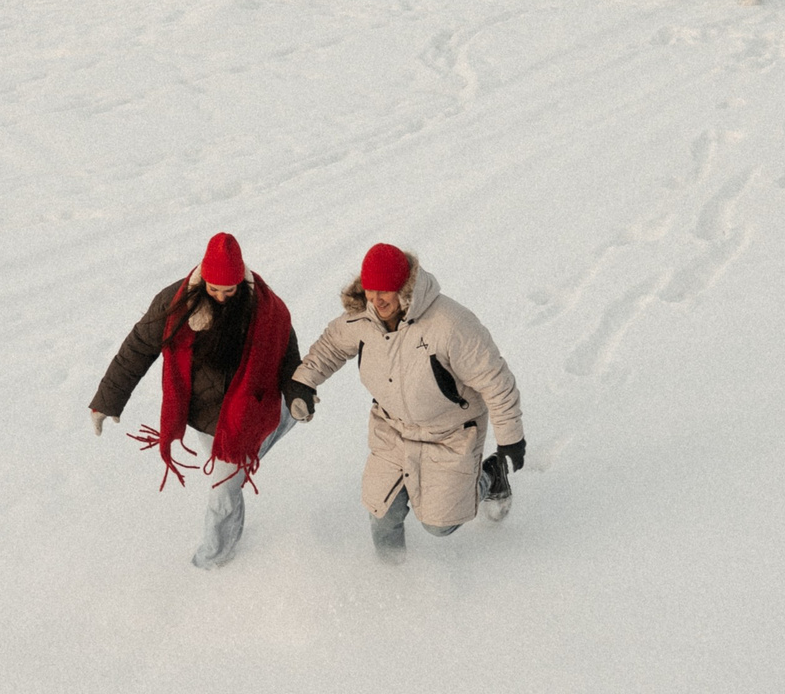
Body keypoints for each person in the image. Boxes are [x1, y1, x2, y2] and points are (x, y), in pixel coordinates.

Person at [288, 243, 525, 559]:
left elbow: (497, 382)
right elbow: (332, 345)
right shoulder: (363, 319)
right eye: (371, 291)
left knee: (440, 525)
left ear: (404, 287)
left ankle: (491, 476)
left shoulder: (451, 324)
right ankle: (392, 574)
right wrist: (303, 382)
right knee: (382, 511)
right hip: (392, 430)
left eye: (385, 291)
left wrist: (511, 439)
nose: (377, 300)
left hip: (449, 434)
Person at [91, 232, 310, 570]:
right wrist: (107, 400)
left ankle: (210, 562)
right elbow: (138, 346)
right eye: (214, 289)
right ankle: (234, 524)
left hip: (247, 412)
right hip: (204, 416)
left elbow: (287, 355)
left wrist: (297, 394)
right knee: (228, 485)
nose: (221, 297)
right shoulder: (174, 302)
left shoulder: (266, 309)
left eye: (229, 290)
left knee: (223, 489)